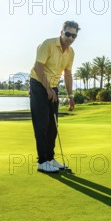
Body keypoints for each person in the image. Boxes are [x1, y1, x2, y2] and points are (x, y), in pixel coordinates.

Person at [29, 21, 79, 173]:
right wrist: (48, 88)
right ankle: (42, 161)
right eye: (68, 34)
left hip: (53, 87)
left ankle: (50, 158)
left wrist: (70, 95)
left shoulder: (71, 52)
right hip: (38, 84)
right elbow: (38, 67)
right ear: (62, 32)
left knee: (53, 126)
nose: (70, 38)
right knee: (42, 124)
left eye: (74, 35)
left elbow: (68, 74)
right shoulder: (48, 44)